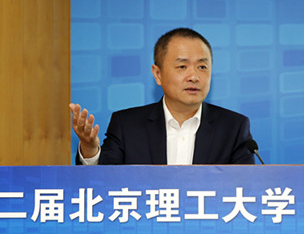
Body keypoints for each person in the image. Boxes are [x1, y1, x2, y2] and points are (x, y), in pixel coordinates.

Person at [69, 27, 255, 165]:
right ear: (157, 74)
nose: (194, 77)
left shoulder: (233, 128)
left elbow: (247, 189)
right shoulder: (127, 125)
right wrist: (90, 150)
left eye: (202, 67)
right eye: (182, 66)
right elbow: (103, 182)